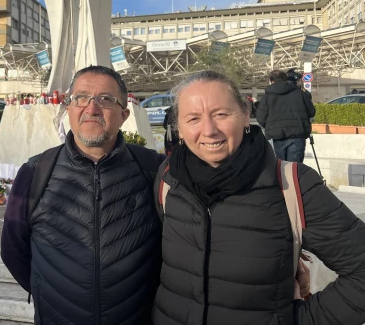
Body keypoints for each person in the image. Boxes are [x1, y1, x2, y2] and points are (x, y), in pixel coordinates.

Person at [153, 70, 365, 325]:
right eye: (193, 118)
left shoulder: (293, 184)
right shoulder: (168, 179)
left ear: (245, 115)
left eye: (221, 114)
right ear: (179, 129)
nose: (209, 130)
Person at [1, 65, 164, 324]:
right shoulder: (36, 172)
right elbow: (13, 249)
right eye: (81, 98)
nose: (92, 108)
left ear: (124, 114)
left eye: (106, 100)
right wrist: (49, 293)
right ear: (69, 108)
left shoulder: (152, 170)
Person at [256, 69, 316, 162]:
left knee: (280, 168)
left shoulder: (267, 97)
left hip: (277, 136)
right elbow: (311, 112)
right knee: (295, 169)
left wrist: (272, 126)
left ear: (271, 81)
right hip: (298, 135)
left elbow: (260, 117)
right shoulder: (300, 93)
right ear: (285, 79)